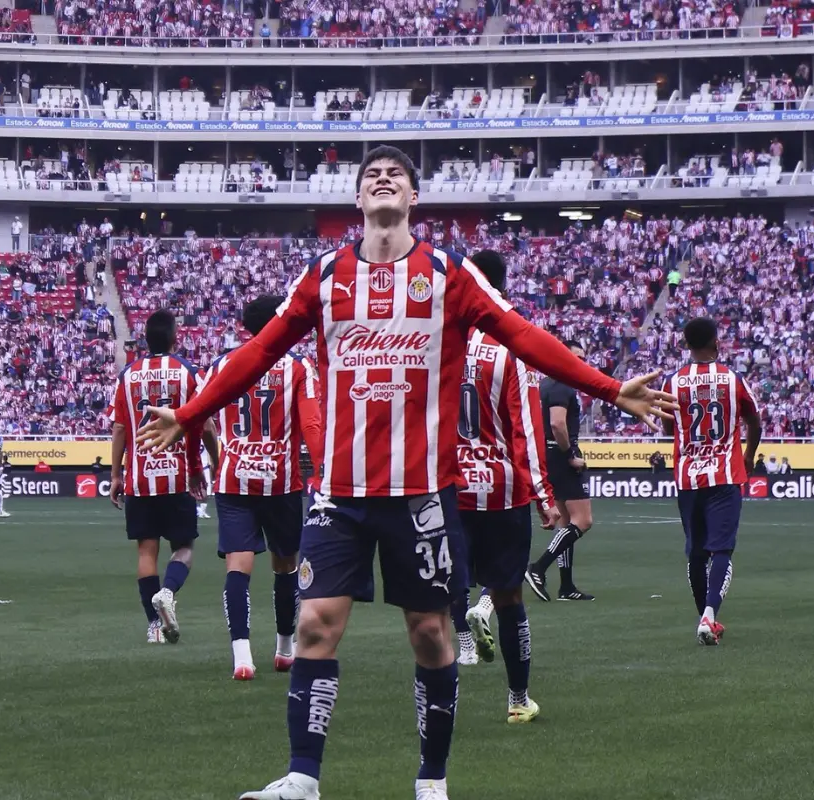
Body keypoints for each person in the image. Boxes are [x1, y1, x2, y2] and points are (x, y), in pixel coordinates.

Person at [136, 145, 673, 800]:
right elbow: (258, 352)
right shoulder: (324, 276)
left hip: (421, 495)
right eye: (371, 176)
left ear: (413, 198)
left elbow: (520, 334)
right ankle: (304, 777)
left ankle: (431, 781)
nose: (383, 180)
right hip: (338, 494)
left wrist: (610, 388)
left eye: (396, 175)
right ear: (358, 201)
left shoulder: (449, 274)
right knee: (314, 625)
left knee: (428, 632)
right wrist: (192, 414)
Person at [453, 251, 557, 725]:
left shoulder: (437, 345)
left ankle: (442, 700)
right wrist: (544, 496)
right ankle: (518, 700)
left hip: (447, 490)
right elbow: (527, 432)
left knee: (439, 593)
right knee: (510, 597)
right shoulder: (510, 349)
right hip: (501, 490)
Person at [202, 294, 325, 681]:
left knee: (238, 567)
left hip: (234, 478)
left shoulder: (222, 365)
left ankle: (242, 657)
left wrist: (202, 462)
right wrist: (320, 469)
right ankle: (285, 649)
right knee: (285, 565)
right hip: (281, 483)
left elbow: (201, 418)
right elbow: (311, 424)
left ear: (245, 327)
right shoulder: (297, 367)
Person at [109, 309, 217, 646]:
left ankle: (154, 626)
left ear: (145, 339)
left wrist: (116, 475)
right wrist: (216, 460)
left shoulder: (127, 375)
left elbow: (120, 428)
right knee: (183, 546)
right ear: (174, 338)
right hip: (177, 474)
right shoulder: (187, 372)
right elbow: (206, 423)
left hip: (141, 477)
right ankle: (168, 592)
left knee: (146, 552)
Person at [662, 317, 761, 646]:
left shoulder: (673, 382)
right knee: (722, 549)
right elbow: (754, 420)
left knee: (696, 553)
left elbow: (666, 427)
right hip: (725, 473)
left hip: (688, 476)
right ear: (716, 343)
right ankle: (709, 615)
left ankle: (704, 616)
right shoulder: (733, 379)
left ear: (685, 344)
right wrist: (748, 455)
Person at [525, 341, 595, 602]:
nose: (581, 362)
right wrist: (571, 456)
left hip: (547, 455)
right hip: (560, 456)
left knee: (566, 522)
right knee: (583, 520)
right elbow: (557, 423)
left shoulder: (543, 385)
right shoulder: (561, 385)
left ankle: (566, 586)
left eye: (583, 358)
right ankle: (538, 567)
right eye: (576, 357)